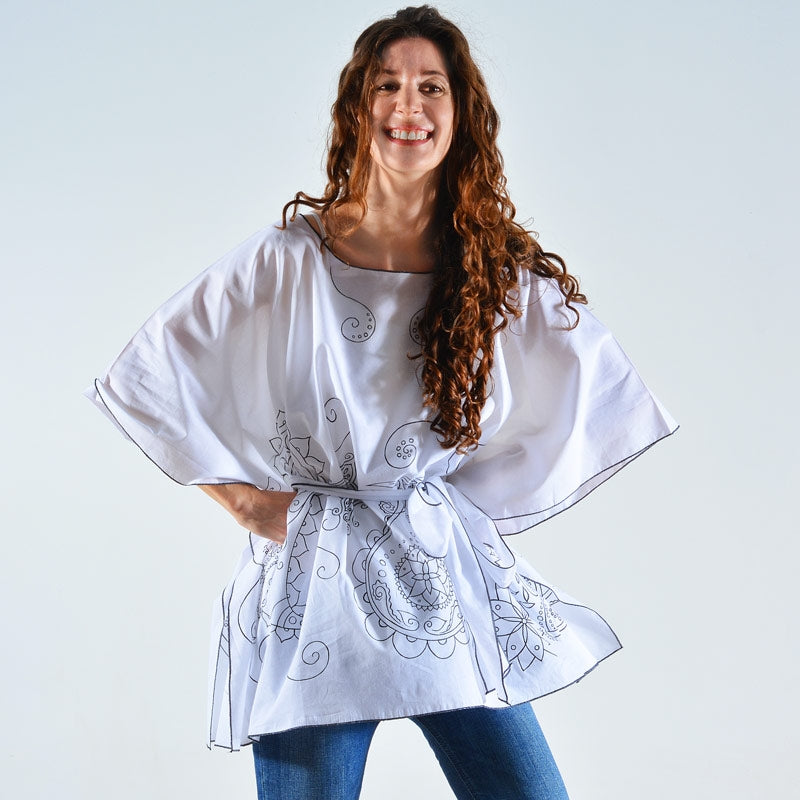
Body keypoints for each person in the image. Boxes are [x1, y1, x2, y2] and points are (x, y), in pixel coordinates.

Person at [86, 6, 677, 799]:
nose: (408, 105)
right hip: (314, 581)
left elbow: (596, 388)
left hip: (435, 575)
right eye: (387, 85)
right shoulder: (290, 257)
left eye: (431, 87)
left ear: (460, 116)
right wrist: (245, 503)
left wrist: (464, 504)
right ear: (357, 109)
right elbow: (151, 373)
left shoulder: (490, 270)